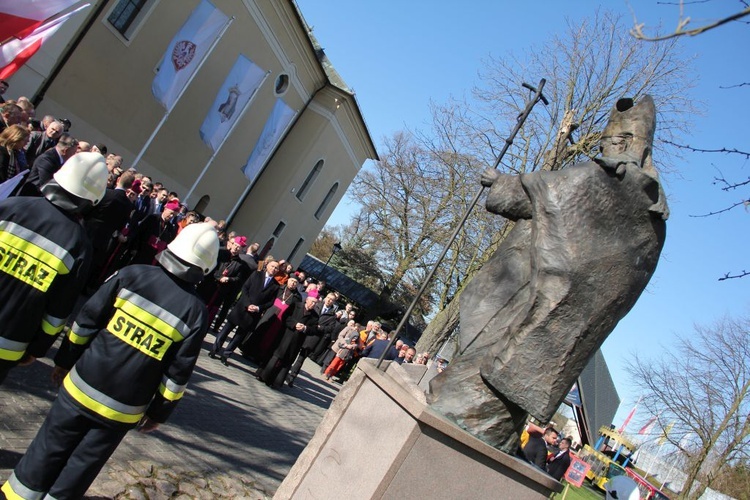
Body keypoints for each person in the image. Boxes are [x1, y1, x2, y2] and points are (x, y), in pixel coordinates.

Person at [429, 96, 669, 452]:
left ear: (624, 144)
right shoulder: (653, 224)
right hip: (556, 334)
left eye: (606, 143)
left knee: (470, 389)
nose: (602, 150)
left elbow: (541, 195)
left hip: (528, 304)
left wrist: (500, 181)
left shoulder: (603, 181)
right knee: (499, 393)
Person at [1, 223, 219, 499]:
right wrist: (158, 413)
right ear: (207, 268)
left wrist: (64, 361)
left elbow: (85, 323)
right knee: (81, 468)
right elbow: (177, 375)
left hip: (82, 383)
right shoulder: (196, 312)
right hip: (123, 408)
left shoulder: (131, 275)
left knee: (48, 447)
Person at [0, 152, 107, 383]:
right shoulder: (79, 245)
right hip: (8, 343)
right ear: (92, 200)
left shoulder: (10, 206)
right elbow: (57, 313)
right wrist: (37, 349)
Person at [210, 260, 280, 365]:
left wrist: (258, 308)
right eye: (272, 266)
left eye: (276, 268)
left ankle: (226, 355)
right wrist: (248, 304)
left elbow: (270, 302)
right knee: (226, 330)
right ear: (267, 266)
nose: (274, 269)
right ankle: (215, 349)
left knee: (239, 336)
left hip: (254, 313)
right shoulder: (256, 274)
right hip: (241, 308)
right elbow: (245, 288)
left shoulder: (276, 285)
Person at [257, 295, 319, 388]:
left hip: (297, 340)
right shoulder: (296, 305)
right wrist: (294, 324)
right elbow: (285, 316)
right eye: (312, 301)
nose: (313, 304)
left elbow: (314, 330)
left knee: (286, 361)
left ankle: (275, 381)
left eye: (315, 303)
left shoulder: (315, 316)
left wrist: (305, 328)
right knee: (275, 356)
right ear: (307, 300)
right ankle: (263, 375)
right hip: (285, 335)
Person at [207, 236, 251, 330]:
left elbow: (238, 278)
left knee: (211, 313)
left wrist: (228, 279)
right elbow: (212, 266)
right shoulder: (221, 253)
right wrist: (218, 277)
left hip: (222, 291)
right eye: (235, 245)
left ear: (241, 249)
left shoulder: (240, 264)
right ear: (231, 245)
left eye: (238, 247)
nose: (235, 248)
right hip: (210, 286)